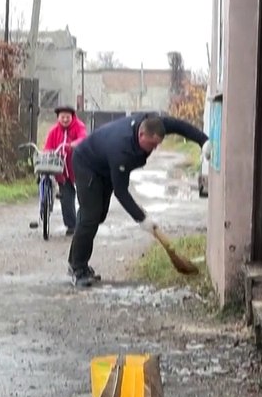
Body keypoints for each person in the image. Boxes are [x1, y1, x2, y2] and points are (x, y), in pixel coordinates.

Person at [67, 112, 208, 288]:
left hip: (105, 166)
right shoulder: (122, 148)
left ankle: (76, 261)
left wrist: (204, 141)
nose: (154, 148)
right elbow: (121, 191)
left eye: (158, 144)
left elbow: (179, 125)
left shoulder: (155, 123)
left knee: (97, 216)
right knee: (90, 217)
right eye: (151, 144)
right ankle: (78, 268)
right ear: (141, 135)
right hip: (87, 164)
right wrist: (142, 218)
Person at [43, 105, 88, 236]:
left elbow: (83, 138)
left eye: (67, 117)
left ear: (72, 117)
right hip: (62, 169)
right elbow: (48, 147)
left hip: (78, 166)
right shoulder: (54, 131)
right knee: (66, 197)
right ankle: (72, 225)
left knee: (84, 196)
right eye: (62, 117)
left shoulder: (79, 126)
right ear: (58, 118)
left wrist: (73, 144)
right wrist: (48, 153)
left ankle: (86, 222)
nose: (65, 119)